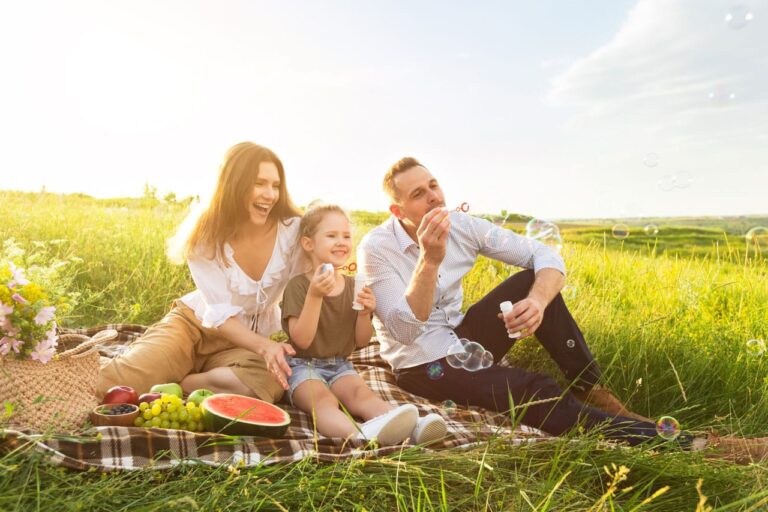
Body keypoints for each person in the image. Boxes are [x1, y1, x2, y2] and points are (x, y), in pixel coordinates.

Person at [356, 156, 768, 460]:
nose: (433, 197)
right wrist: (429, 260)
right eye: (418, 195)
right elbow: (406, 330)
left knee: (532, 283)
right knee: (535, 389)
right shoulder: (377, 249)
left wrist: (536, 302)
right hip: (422, 363)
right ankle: (693, 444)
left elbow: (546, 255)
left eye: (433, 185)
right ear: (399, 211)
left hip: (460, 337)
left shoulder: (464, 225)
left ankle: (596, 392)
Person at [97, 142, 301, 403]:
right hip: (191, 328)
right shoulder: (205, 235)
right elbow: (220, 315)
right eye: (259, 183)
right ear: (234, 183)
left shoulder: (292, 230)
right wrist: (266, 346)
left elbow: (317, 269)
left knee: (271, 382)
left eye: (275, 185)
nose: (270, 194)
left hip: (243, 345)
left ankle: (184, 381)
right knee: (117, 383)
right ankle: (169, 367)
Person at [281, 203, 447, 445]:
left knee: (362, 395)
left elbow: (360, 342)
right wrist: (315, 295)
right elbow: (302, 340)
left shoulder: (353, 286)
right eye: (331, 235)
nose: (341, 241)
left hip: (339, 364)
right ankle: (360, 435)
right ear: (308, 244)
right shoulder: (299, 286)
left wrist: (363, 314)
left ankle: (415, 426)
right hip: (301, 365)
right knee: (323, 401)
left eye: (346, 236)